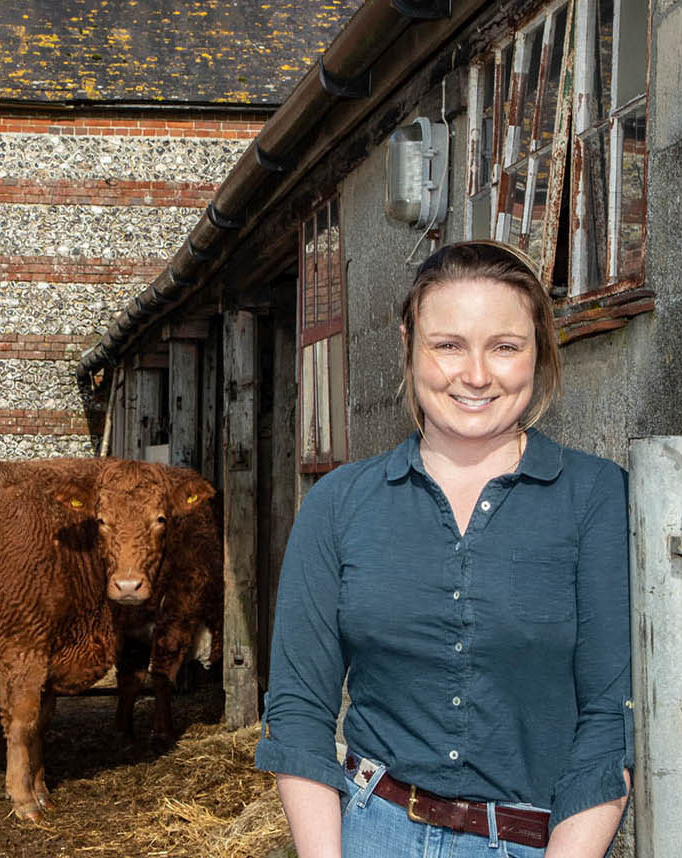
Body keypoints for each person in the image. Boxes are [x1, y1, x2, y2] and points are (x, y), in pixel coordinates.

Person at [255, 240, 632, 858]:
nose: (476, 375)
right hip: (370, 831)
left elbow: (611, 722)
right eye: (448, 345)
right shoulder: (338, 504)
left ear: (538, 349)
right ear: (408, 343)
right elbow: (299, 709)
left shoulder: (596, 499)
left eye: (505, 347)